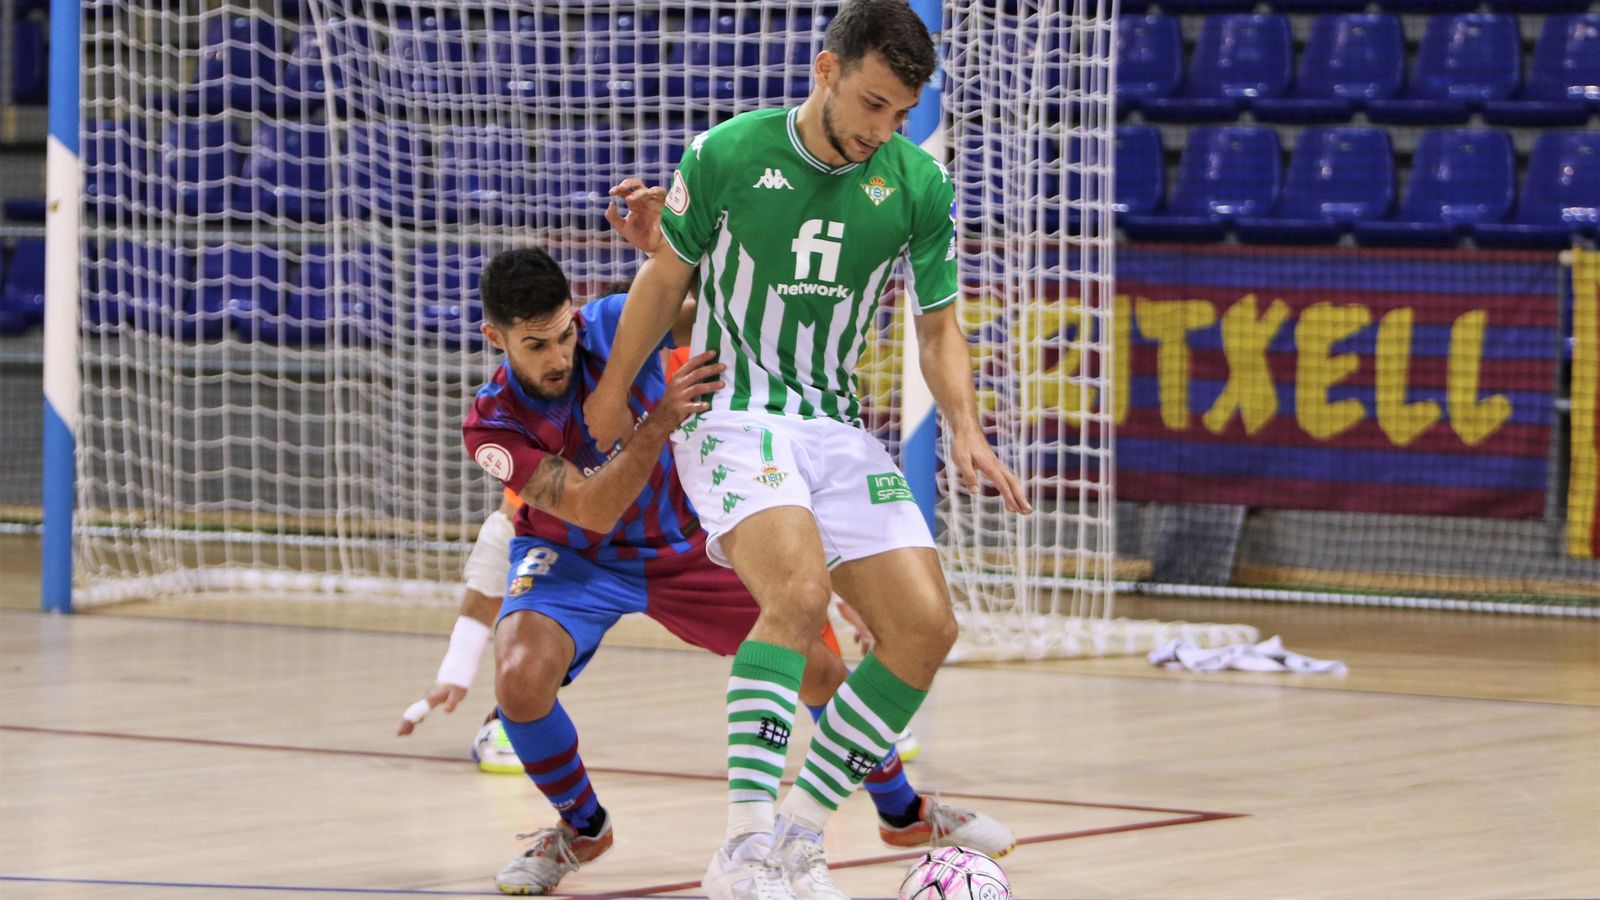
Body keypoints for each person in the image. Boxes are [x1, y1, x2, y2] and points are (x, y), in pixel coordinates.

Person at [582, 3, 1031, 898]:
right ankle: (742, 847)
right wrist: (609, 390)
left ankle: (796, 837)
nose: (884, 130)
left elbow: (937, 327)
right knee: (797, 593)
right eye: (872, 105)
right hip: (732, 408)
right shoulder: (727, 153)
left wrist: (968, 429)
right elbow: (664, 275)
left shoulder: (915, 183)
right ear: (826, 71)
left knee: (925, 630)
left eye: (901, 114)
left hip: (831, 421)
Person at [451, 231, 1011, 895]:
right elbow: (593, 510)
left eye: (563, 334)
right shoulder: (491, 424)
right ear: (496, 338)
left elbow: (726, 300)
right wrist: (656, 423)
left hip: (686, 543)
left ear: (575, 314)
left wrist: (673, 247)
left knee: (823, 672)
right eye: (535, 346)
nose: (558, 356)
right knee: (518, 680)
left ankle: (904, 812)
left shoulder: (613, 323)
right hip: (577, 556)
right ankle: (582, 828)